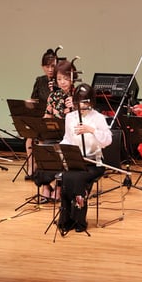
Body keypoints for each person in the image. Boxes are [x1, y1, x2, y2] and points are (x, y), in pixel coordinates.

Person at [57, 83, 113, 234]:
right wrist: (61, 149)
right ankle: (66, 219)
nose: (82, 106)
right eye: (79, 102)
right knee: (66, 177)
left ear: (91, 102)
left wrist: (91, 130)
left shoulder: (98, 118)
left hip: (93, 162)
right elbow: (67, 138)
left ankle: (79, 220)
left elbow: (107, 140)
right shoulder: (70, 117)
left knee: (78, 178)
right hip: (76, 161)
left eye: (85, 102)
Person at [33, 60, 77, 200]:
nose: (62, 82)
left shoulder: (78, 95)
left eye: (66, 78)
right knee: (42, 149)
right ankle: (46, 186)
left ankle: (59, 187)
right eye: (59, 79)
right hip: (56, 133)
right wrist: (43, 124)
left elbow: (86, 117)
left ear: (73, 78)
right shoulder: (54, 96)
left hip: (72, 137)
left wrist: (75, 107)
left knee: (61, 149)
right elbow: (47, 116)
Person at [26, 48, 58, 175]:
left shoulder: (60, 80)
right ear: (42, 67)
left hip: (54, 118)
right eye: (47, 66)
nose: (50, 69)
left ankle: (42, 167)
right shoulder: (40, 80)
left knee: (42, 138)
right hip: (41, 117)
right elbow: (34, 99)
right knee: (29, 137)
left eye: (52, 66)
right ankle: (31, 166)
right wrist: (28, 103)